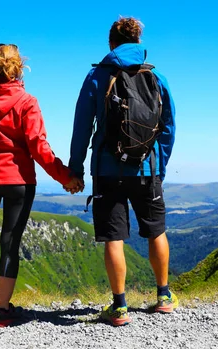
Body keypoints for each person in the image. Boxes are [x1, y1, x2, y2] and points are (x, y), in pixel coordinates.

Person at [0, 43, 82, 327]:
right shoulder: (27, 102)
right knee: (9, 245)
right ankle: (2, 311)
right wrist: (66, 177)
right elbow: (39, 146)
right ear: (20, 69)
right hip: (19, 181)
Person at [68, 17, 177, 326]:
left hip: (108, 169)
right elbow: (168, 129)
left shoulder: (97, 76)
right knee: (156, 230)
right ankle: (164, 296)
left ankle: (119, 307)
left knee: (114, 236)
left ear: (111, 43)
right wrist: (161, 166)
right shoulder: (157, 77)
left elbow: (82, 128)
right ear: (139, 42)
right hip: (148, 168)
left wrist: (75, 168)